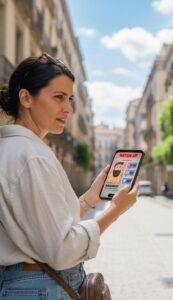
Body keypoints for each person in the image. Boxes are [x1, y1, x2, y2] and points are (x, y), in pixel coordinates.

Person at [0, 53, 139, 298]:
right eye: (58, 97)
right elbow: (62, 249)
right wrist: (115, 210)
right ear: (26, 98)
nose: (69, 108)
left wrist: (89, 200)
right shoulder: (32, 156)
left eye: (71, 99)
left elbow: (41, 224)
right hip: (40, 288)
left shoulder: (11, 148)